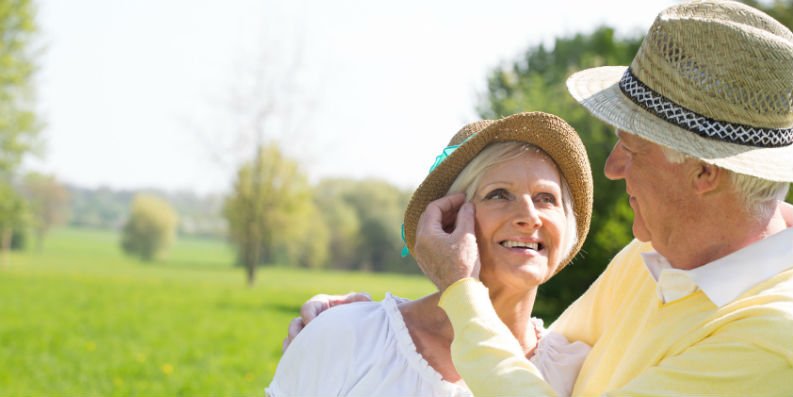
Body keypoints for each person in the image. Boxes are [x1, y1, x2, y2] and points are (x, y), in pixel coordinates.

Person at [286, 1, 793, 395]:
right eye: (500, 193)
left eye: (632, 148)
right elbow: (526, 353)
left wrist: (462, 290)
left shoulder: (775, 339)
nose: (613, 168)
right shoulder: (653, 256)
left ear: (705, 172)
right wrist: (357, 329)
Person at [266, 112, 594, 397]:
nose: (529, 215)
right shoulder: (348, 336)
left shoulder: (578, 371)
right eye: (499, 194)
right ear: (447, 219)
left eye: (546, 198)